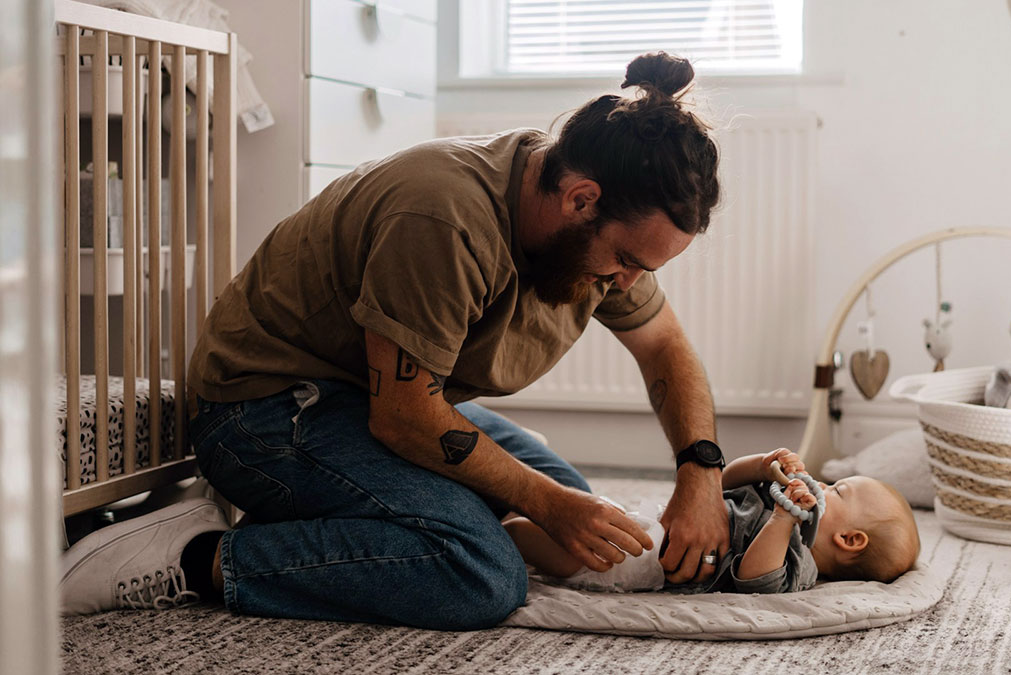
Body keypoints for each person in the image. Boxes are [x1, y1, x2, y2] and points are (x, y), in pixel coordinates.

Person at [59, 52, 731, 629]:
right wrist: (540, 499)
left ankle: (310, 528)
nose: (628, 281)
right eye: (628, 260)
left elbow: (665, 348)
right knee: (485, 571)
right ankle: (197, 555)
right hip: (263, 408)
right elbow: (405, 415)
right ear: (580, 200)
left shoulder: (597, 231)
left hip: (369, 400)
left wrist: (700, 469)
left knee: (588, 528)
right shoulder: (443, 214)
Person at [505, 449, 922, 593]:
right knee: (578, 508)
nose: (824, 485)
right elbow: (718, 483)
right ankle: (505, 502)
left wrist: (782, 520)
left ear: (850, 539)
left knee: (541, 542)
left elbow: (754, 578)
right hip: (658, 517)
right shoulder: (774, 495)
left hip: (650, 560)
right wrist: (762, 466)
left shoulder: (801, 563)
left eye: (839, 491)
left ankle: (498, 528)